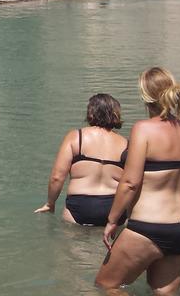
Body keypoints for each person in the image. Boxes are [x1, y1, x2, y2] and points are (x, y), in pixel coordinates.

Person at [96, 67, 180, 295]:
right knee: (164, 293)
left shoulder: (143, 129)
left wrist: (112, 220)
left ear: (145, 96)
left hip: (148, 227)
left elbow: (130, 182)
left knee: (106, 286)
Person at [34, 94, 127, 225]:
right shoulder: (125, 143)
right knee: (109, 245)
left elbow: (57, 177)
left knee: (75, 243)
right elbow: (132, 182)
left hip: (79, 204)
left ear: (91, 112)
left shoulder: (76, 137)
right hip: (113, 206)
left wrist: (50, 203)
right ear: (115, 114)